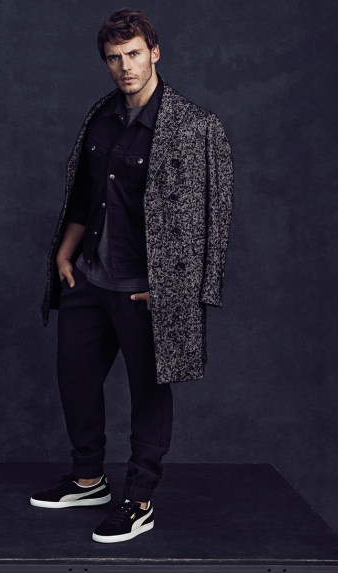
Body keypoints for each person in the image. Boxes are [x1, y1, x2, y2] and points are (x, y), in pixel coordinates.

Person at [31, 8, 234, 543]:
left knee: (148, 393)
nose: (126, 66)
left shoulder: (195, 126)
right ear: (106, 63)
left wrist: (183, 292)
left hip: (149, 291)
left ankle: (139, 499)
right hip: (90, 281)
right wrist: (64, 254)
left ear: (155, 53)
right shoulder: (100, 116)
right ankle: (88, 479)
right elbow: (85, 194)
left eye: (134, 54)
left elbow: (214, 219)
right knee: (75, 377)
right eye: (114, 58)